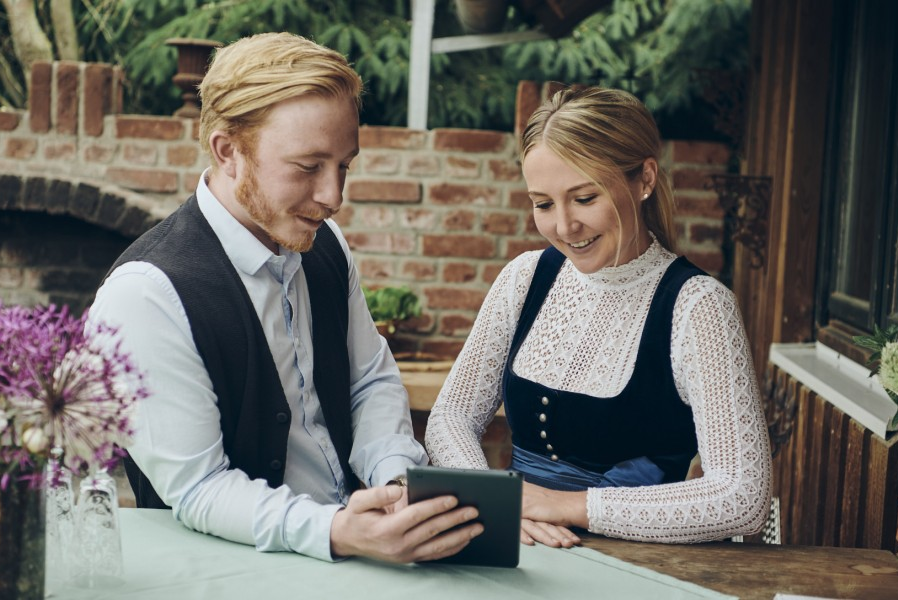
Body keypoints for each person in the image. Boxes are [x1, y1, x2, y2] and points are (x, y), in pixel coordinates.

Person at [89, 32, 482, 563]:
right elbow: (199, 489)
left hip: (364, 552)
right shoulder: (144, 296)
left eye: (344, 165)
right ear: (229, 151)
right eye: (308, 166)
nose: (333, 196)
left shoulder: (328, 245)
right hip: (235, 573)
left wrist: (395, 480)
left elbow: (368, 380)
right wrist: (339, 532)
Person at [425, 87, 772, 548]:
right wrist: (500, 500)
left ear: (644, 178)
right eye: (544, 204)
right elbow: (449, 417)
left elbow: (742, 496)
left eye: (585, 198)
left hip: (642, 564)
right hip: (521, 547)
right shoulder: (524, 278)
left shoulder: (699, 307)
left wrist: (563, 506)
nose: (565, 227)